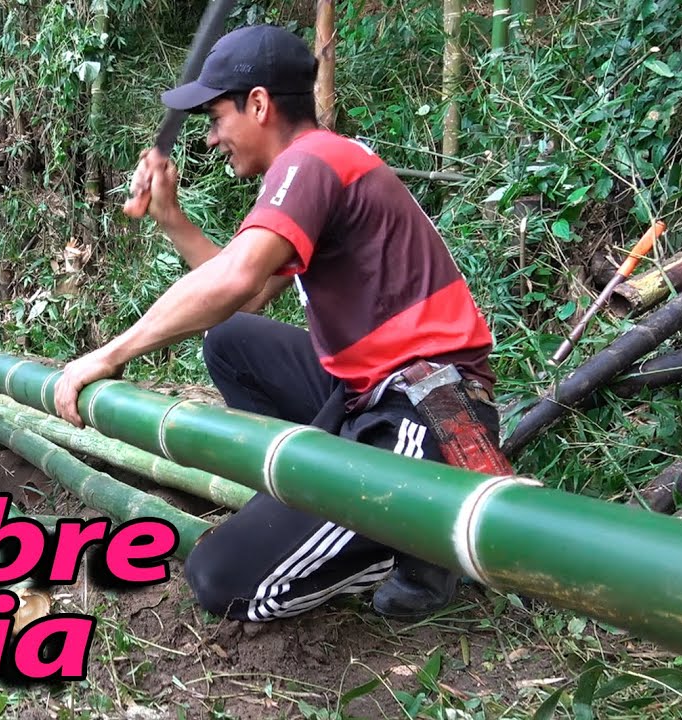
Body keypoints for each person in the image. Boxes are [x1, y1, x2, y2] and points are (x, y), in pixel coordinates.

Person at [52, 25, 500, 623]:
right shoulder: (317, 164)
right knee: (233, 341)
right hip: (365, 393)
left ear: (258, 105)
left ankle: (414, 539)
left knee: (222, 581)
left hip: (425, 410)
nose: (212, 139)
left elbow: (236, 279)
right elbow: (250, 294)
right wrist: (171, 218)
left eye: (216, 117)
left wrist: (108, 355)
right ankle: (316, 503)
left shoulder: (312, 161)